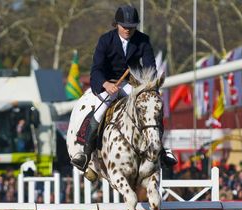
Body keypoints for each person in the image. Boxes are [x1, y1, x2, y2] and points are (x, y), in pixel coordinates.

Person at [71, 4, 177, 172]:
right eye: (125, 26)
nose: (128, 30)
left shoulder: (143, 40)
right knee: (99, 112)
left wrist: (148, 87)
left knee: (150, 110)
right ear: (117, 25)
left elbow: (150, 68)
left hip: (131, 85)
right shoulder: (106, 40)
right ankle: (86, 153)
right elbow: (96, 69)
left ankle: (161, 151)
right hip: (108, 84)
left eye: (131, 27)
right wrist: (106, 84)